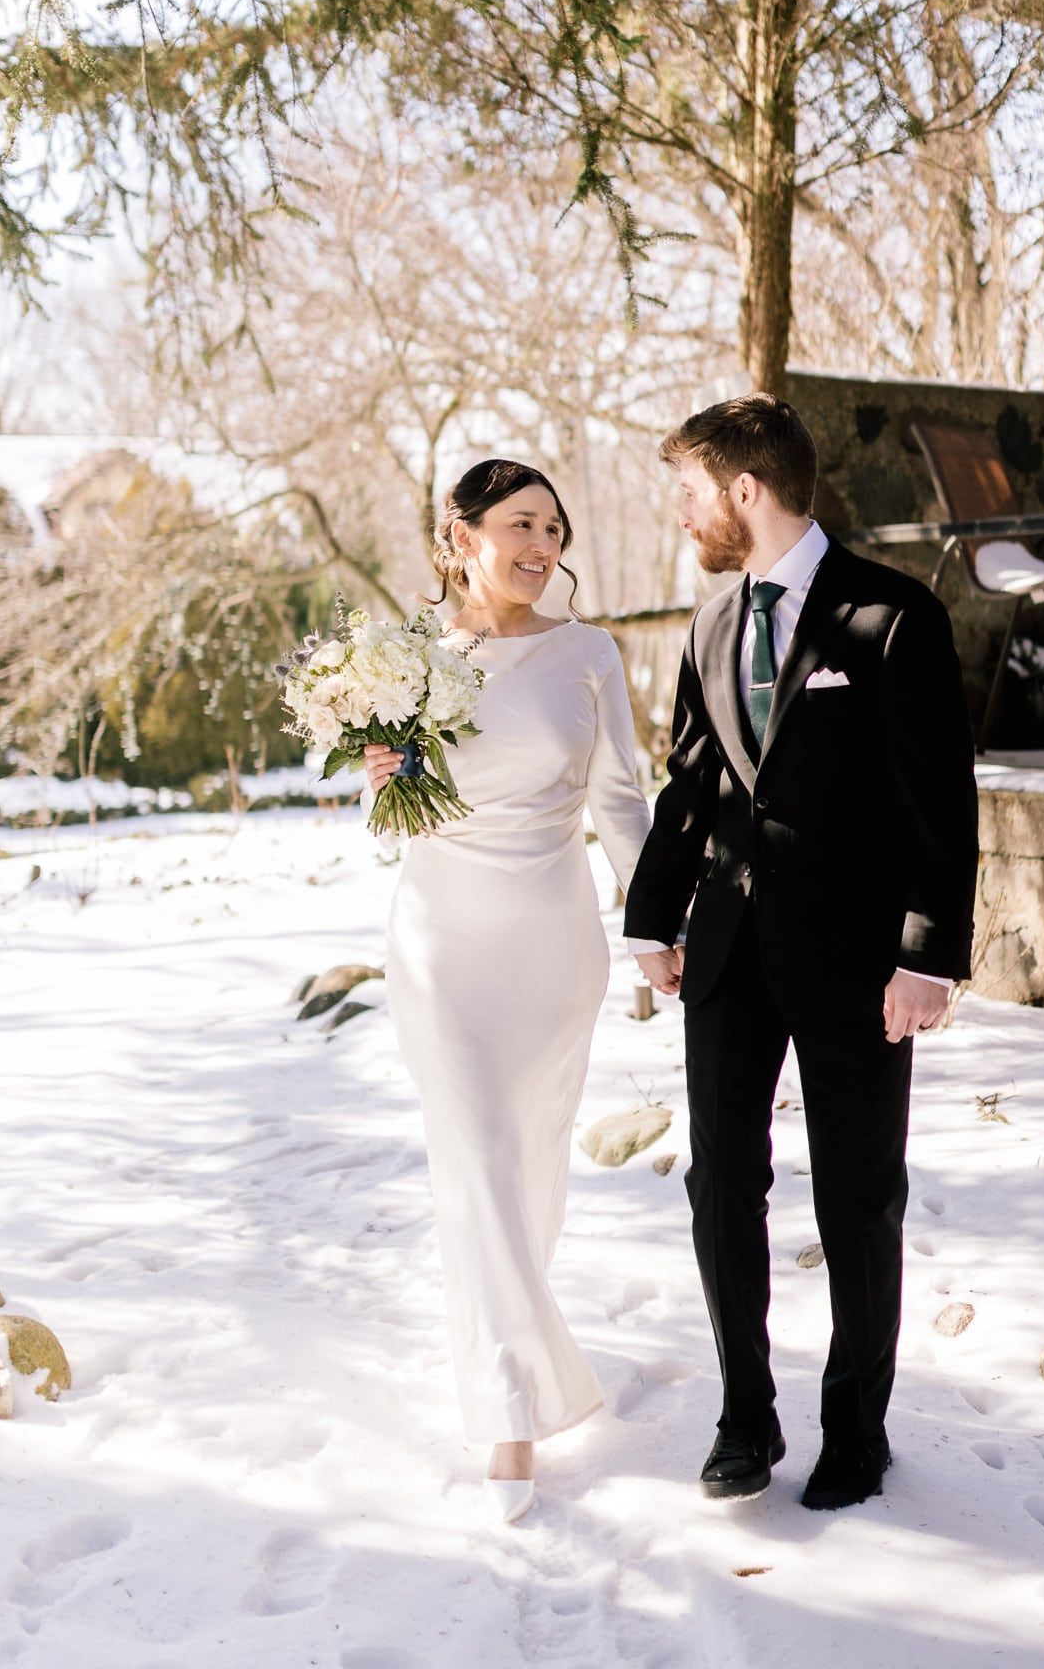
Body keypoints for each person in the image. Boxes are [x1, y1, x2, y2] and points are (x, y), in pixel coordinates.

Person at [624, 394, 978, 1511]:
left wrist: (928, 954)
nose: (681, 514)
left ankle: (855, 1429)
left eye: (689, 491)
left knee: (858, 1198)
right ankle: (744, 1418)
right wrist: (652, 913)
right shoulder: (711, 620)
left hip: (859, 962)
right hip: (726, 952)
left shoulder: (894, 616)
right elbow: (692, 781)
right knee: (720, 1185)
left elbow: (941, 808)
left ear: (743, 489)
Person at [364, 459, 650, 1525]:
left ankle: (512, 1361)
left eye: (554, 527)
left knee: (528, 1167)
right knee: (477, 1156)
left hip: (551, 937)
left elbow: (623, 798)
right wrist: (382, 775)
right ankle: (511, 1413)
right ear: (462, 533)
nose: (543, 544)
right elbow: (388, 812)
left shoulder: (588, 653)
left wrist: (658, 920)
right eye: (522, 523)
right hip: (441, 938)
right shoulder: (402, 657)